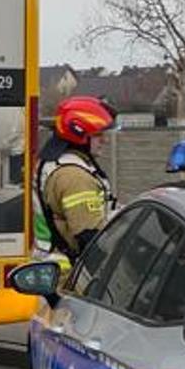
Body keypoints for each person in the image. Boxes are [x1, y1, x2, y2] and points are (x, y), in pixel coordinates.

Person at [34, 95, 119, 263]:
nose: (105, 140)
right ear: (78, 133)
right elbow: (91, 240)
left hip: (47, 260)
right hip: (69, 271)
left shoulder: (51, 162)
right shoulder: (75, 178)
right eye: (98, 134)